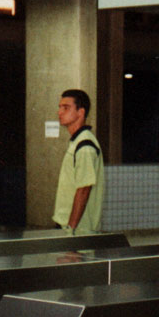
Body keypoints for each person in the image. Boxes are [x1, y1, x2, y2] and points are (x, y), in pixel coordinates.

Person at [52, 89, 104, 235]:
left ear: (81, 112)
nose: (59, 112)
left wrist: (71, 230)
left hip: (78, 230)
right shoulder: (77, 142)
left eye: (66, 108)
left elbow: (83, 190)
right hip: (69, 226)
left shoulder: (85, 146)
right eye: (60, 107)